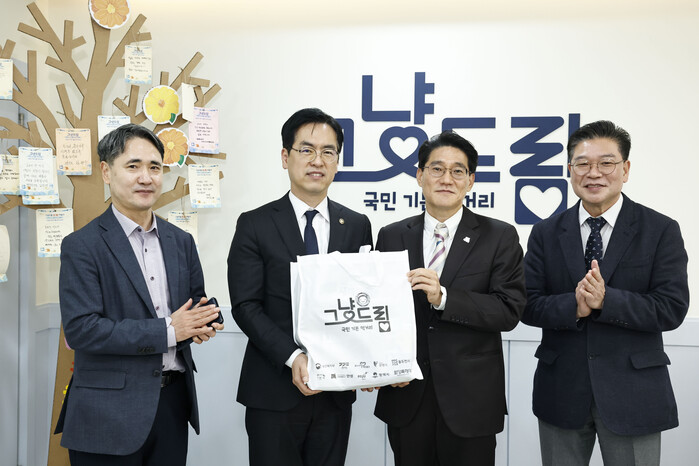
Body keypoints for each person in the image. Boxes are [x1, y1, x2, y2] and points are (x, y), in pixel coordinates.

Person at [522, 120, 689, 466]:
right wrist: (575, 306)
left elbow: (671, 307)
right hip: (562, 391)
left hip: (634, 392)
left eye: (606, 163)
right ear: (570, 170)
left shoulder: (660, 229)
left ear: (625, 169)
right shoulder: (545, 232)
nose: (593, 173)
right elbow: (528, 304)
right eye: (582, 163)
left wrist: (606, 301)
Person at [55, 124, 223, 465]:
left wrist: (206, 319)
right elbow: (82, 329)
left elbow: (194, 301)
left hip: (172, 404)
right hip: (107, 412)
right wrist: (170, 330)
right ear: (106, 172)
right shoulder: (82, 245)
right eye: (133, 166)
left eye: (154, 167)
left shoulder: (181, 241)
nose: (146, 178)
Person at [227, 108, 373, 466]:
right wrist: (294, 357)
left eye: (328, 151)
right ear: (285, 156)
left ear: (337, 161)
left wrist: (369, 360)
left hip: (335, 393)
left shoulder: (357, 225)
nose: (317, 160)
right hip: (273, 389)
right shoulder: (254, 224)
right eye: (306, 149)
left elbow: (363, 302)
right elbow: (246, 306)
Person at [373, 130, 526, 466]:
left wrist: (444, 297)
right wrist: (377, 367)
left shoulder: (499, 236)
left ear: (470, 180)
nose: (447, 179)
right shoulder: (391, 235)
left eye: (458, 171)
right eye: (437, 169)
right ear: (420, 175)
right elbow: (379, 313)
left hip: (470, 402)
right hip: (406, 395)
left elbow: (508, 310)